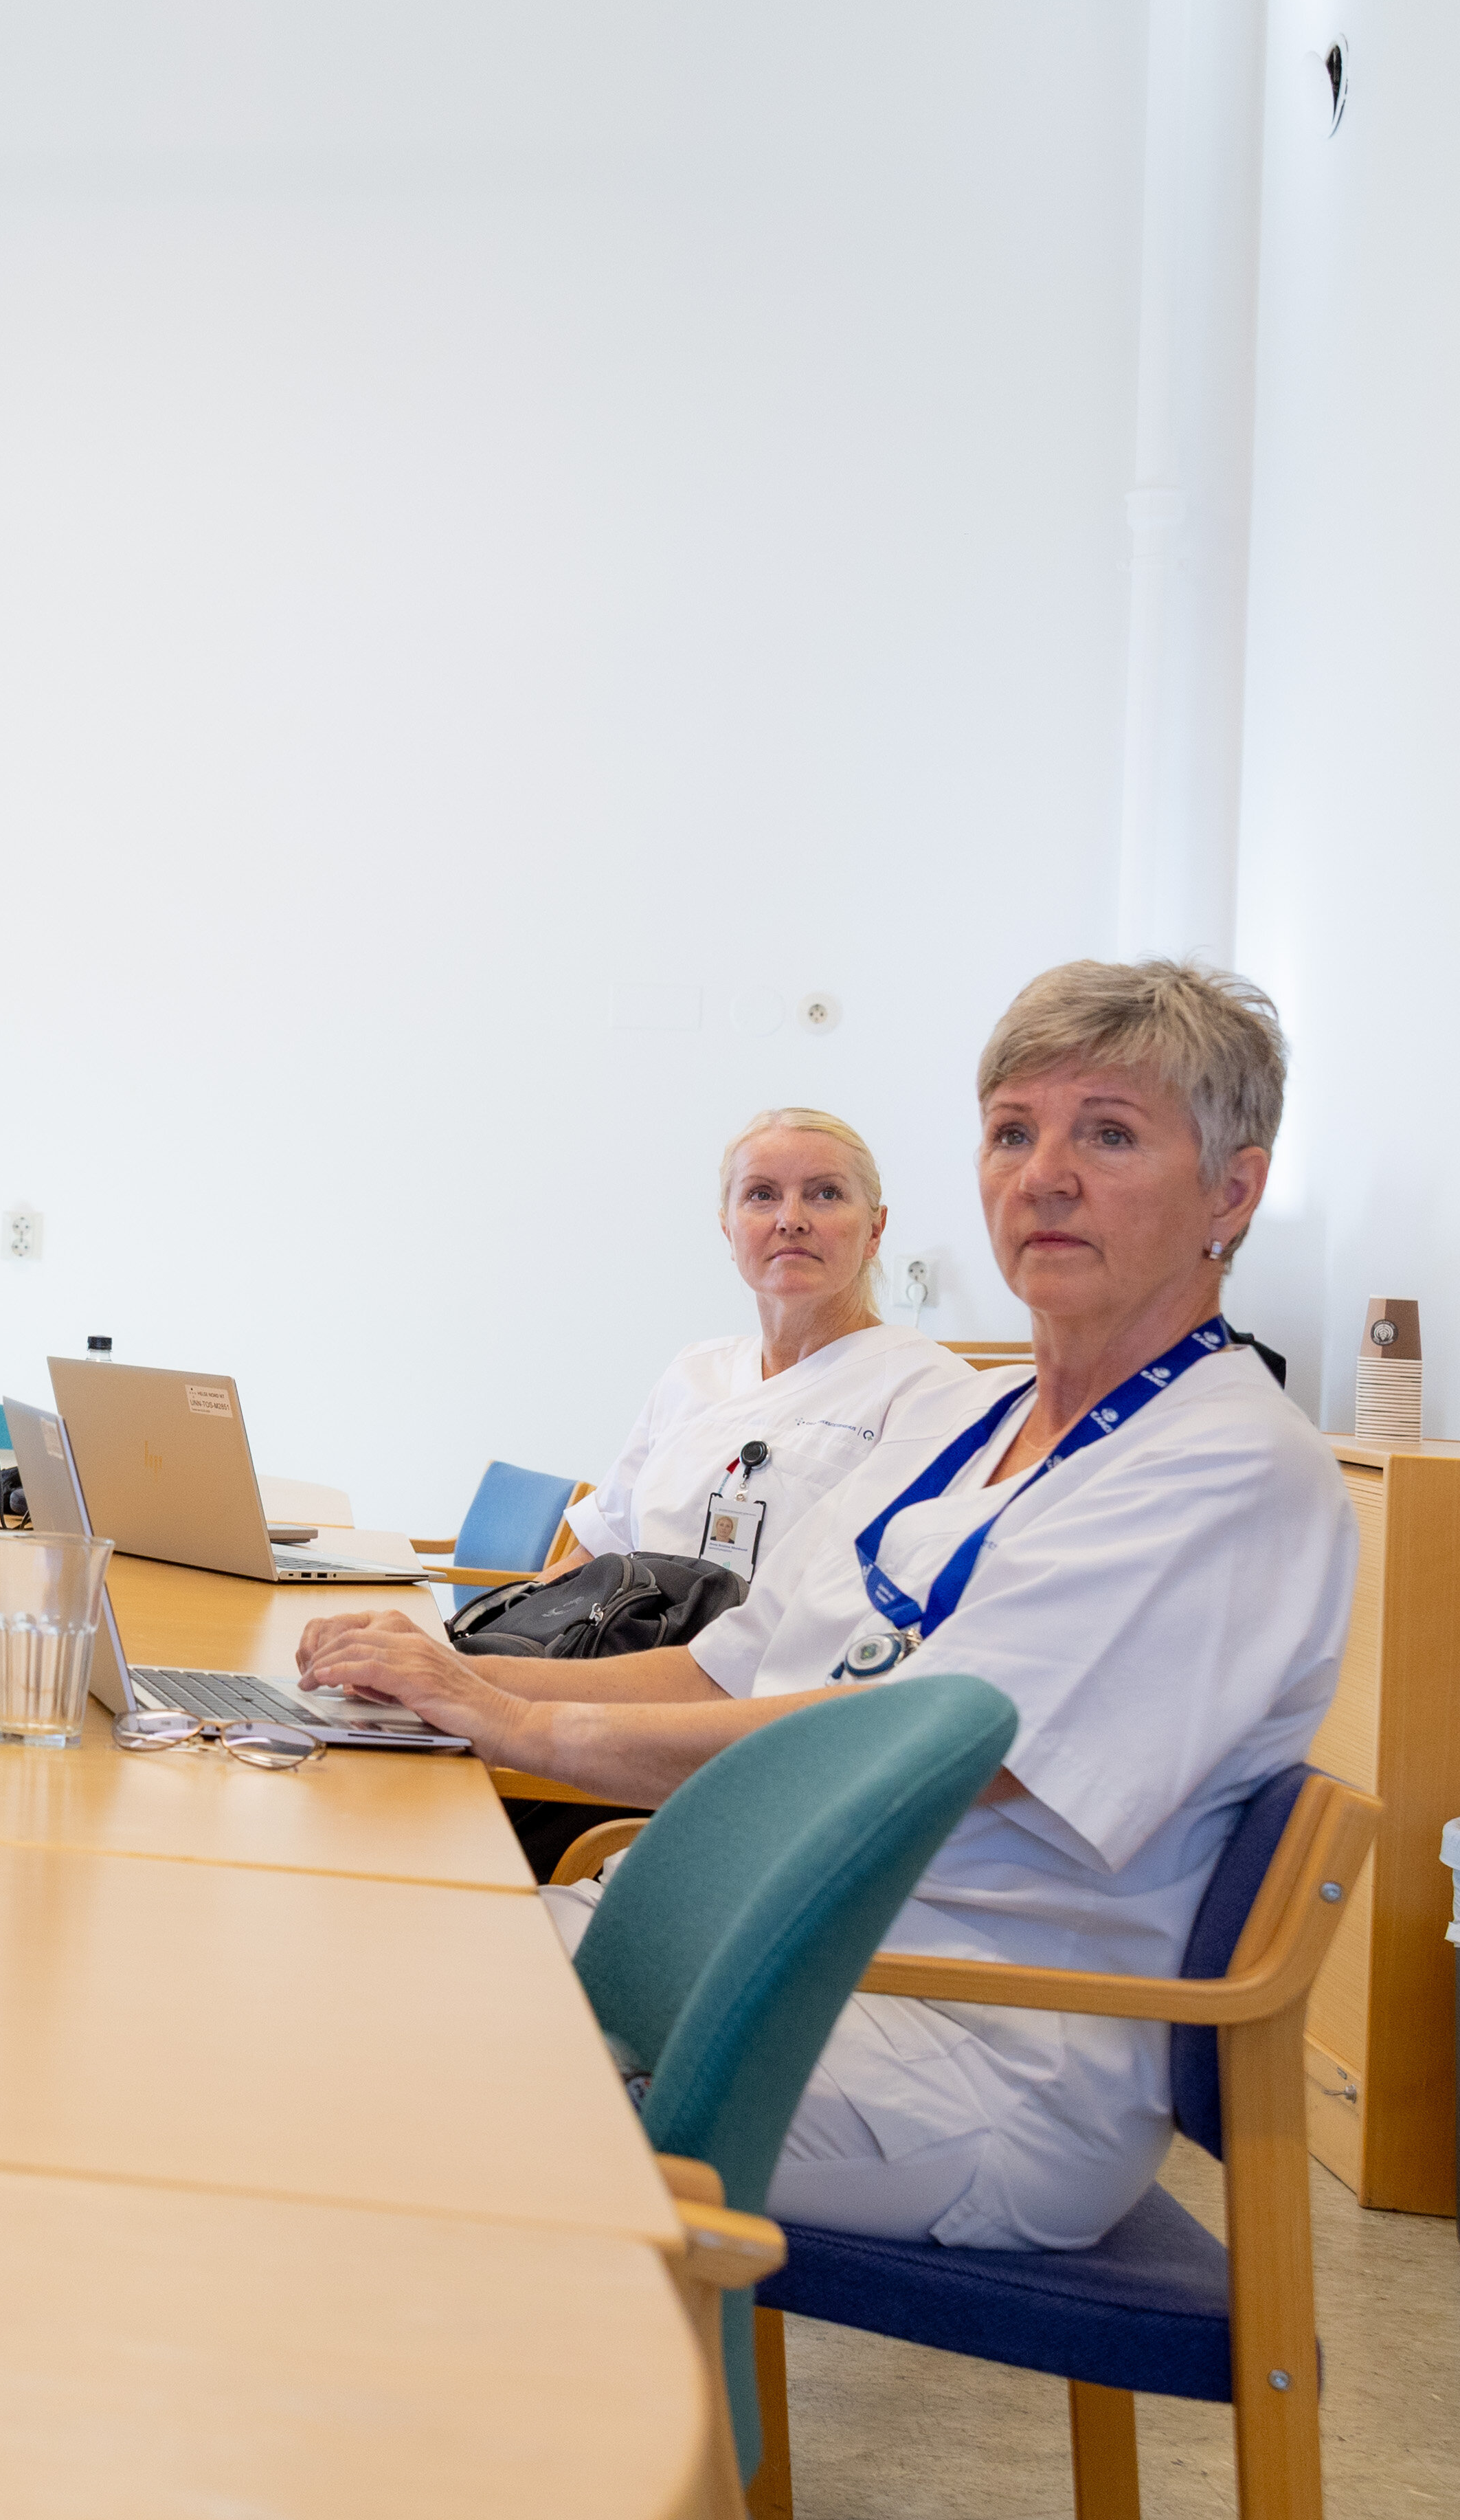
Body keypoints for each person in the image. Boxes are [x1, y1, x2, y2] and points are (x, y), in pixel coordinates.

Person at [297, 960, 1349, 2252]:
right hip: (786, 1945)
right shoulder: (980, 1424)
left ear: (1232, 1190)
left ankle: (580, 2447)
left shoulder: (1227, 1466)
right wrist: (467, 1689)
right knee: (345, 1944)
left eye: (1110, 1134)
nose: (1043, 1175)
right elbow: (728, 1670)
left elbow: (907, 1766)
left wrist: (526, 1730)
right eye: (1013, 1132)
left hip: (971, 2045)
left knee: (379, 2060)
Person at [570, 1109, 969, 1590]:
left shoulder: (931, 1390)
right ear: (728, 1231)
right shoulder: (693, 1374)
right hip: (628, 1654)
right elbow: (590, 1556)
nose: (791, 1219)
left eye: (826, 1194)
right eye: (762, 1195)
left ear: (875, 1231)